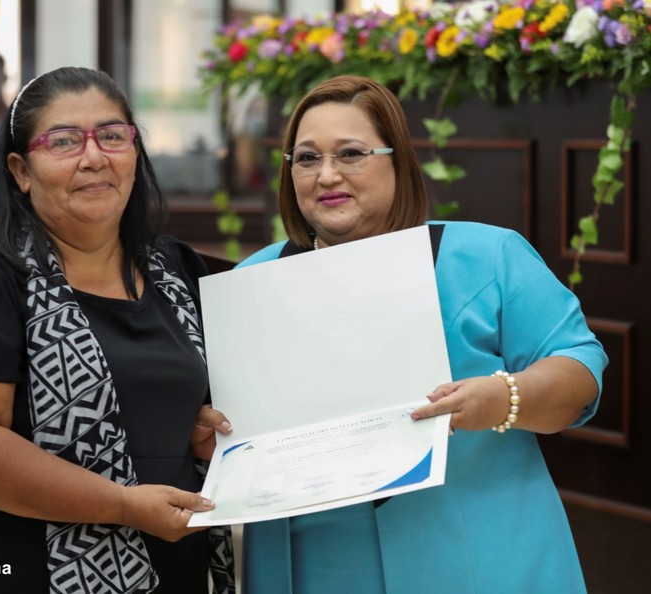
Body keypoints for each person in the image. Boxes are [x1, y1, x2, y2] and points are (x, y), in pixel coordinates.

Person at [237, 75, 607, 593]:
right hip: (315, 561)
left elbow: (579, 372)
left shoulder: (488, 256)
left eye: (351, 153)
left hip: (479, 553)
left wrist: (503, 398)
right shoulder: (253, 283)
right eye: (306, 158)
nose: (327, 175)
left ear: (398, 159)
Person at [0, 66, 234, 593]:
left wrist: (194, 424)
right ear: (21, 170)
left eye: (112, 136)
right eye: (64, 141)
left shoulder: (176, 270)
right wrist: (122, 506)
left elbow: (167, 400)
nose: (94, 157)